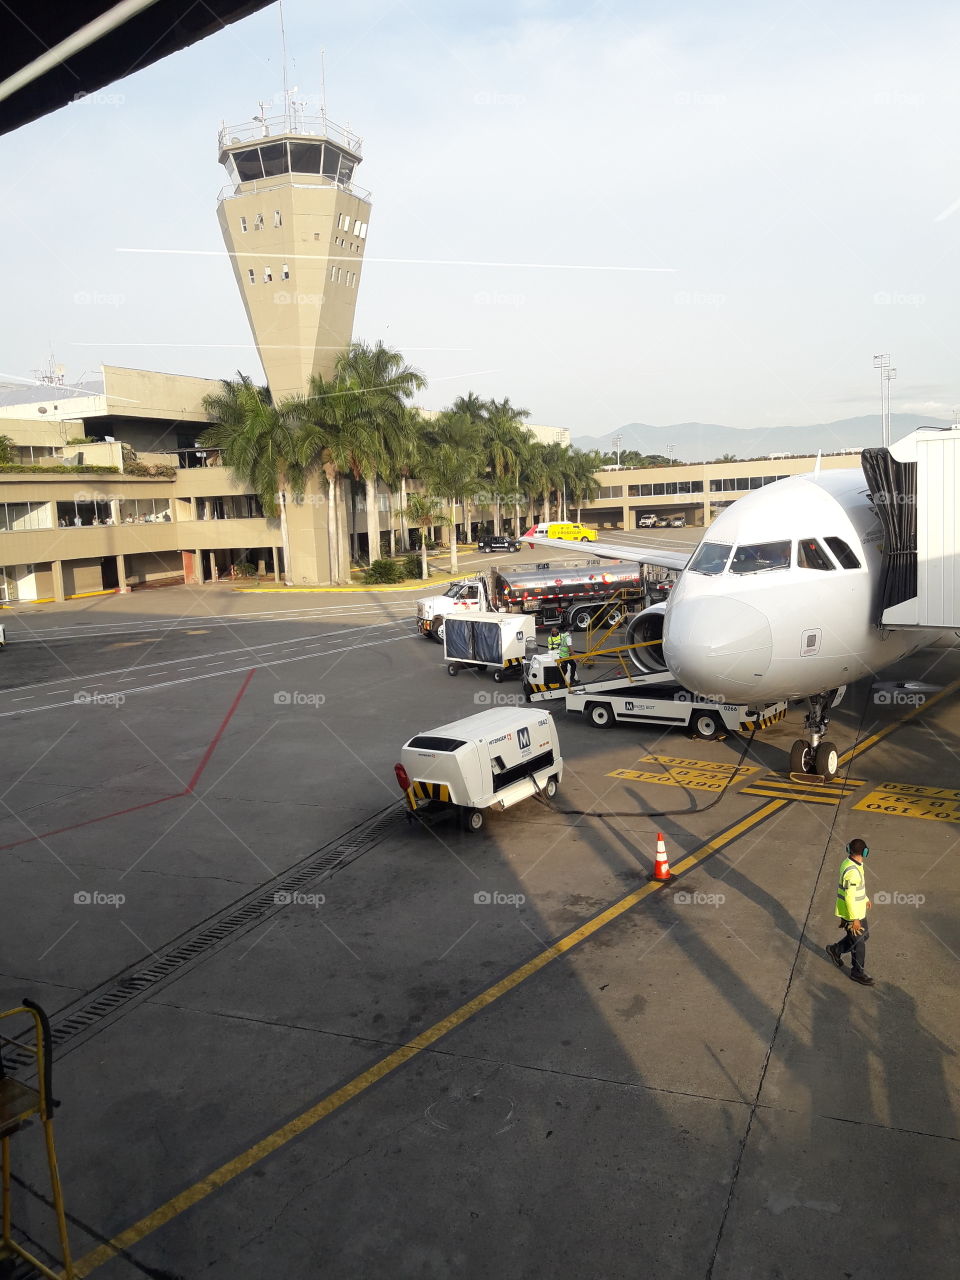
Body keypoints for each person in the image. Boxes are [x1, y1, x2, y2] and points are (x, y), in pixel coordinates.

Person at [826, 837, 874, 986]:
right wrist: (854, 919)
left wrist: (865, 898)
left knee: (863, 936)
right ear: (865, 852)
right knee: (859, 943)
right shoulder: (852, 871)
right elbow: (850, 897)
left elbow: (857, 889)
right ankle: (857, 973)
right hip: (852, 913)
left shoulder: (851, 863)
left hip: (858, 911)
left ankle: (836, 949)